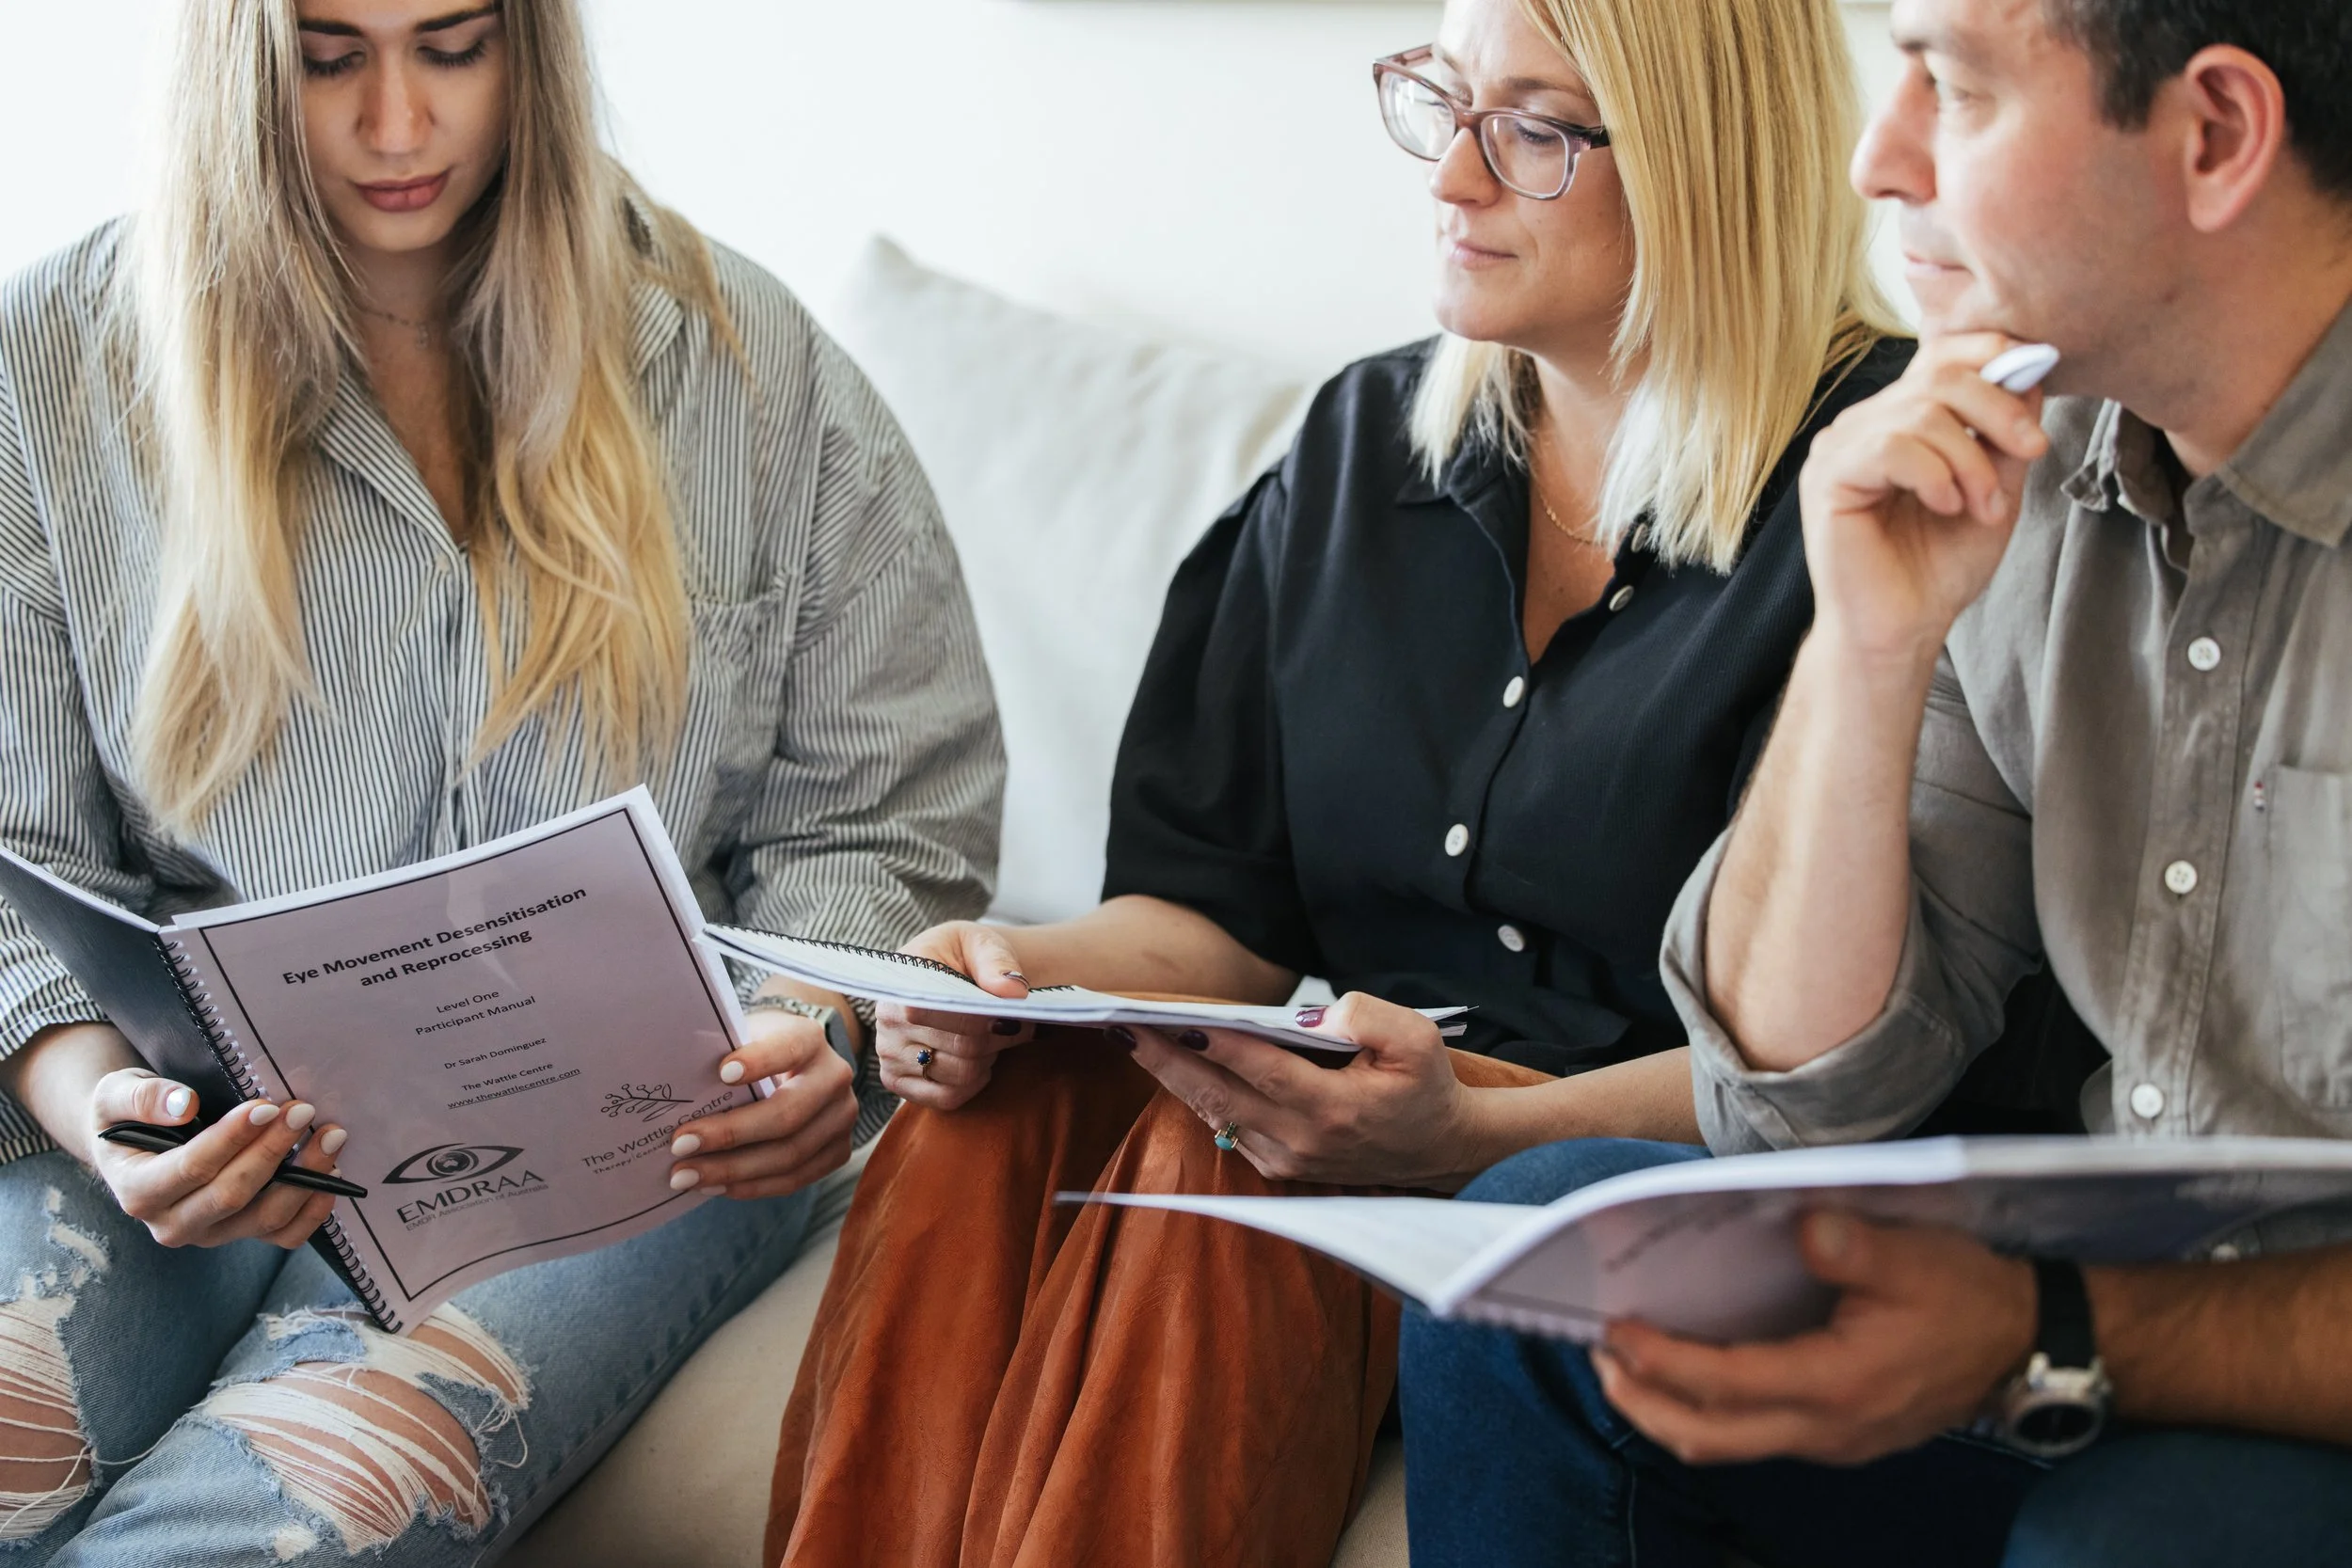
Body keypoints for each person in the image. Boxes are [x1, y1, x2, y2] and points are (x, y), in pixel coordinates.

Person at [766, 0, 1913, 1560]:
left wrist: (1461, 1135)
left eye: (1532, 130)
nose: (1449, 179)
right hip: (1358, 1109)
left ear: (1709, 161)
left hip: (1620, 1169)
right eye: (1440, 102)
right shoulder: (1365, 445)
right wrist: (1007, 975)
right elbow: (1212, 914)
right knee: (996, 1102)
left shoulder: (1877, 495)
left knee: (1237, 1144)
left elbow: (1848, 1067)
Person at [0, 1, 1001, 1561]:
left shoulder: (747, 362)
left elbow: (887, 814)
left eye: (453, 47)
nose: (398, 125)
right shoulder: (52, 366)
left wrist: (814, 1024)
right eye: (327, 59)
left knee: (261, 1520)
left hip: (641, 1133)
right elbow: (12, 856)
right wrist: (90, 1105)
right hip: (202, 1106)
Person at [1399, 1, 2352, 1564]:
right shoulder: (2028, 456)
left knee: (2147, 1535)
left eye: (1954, 91)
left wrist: (2044, 1321)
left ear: (2217, 136)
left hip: (2258, 1405)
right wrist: (1865, 639)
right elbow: (1788, 1098)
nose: (1871, 157)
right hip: (2094, 1364)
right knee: (1534, 1274)